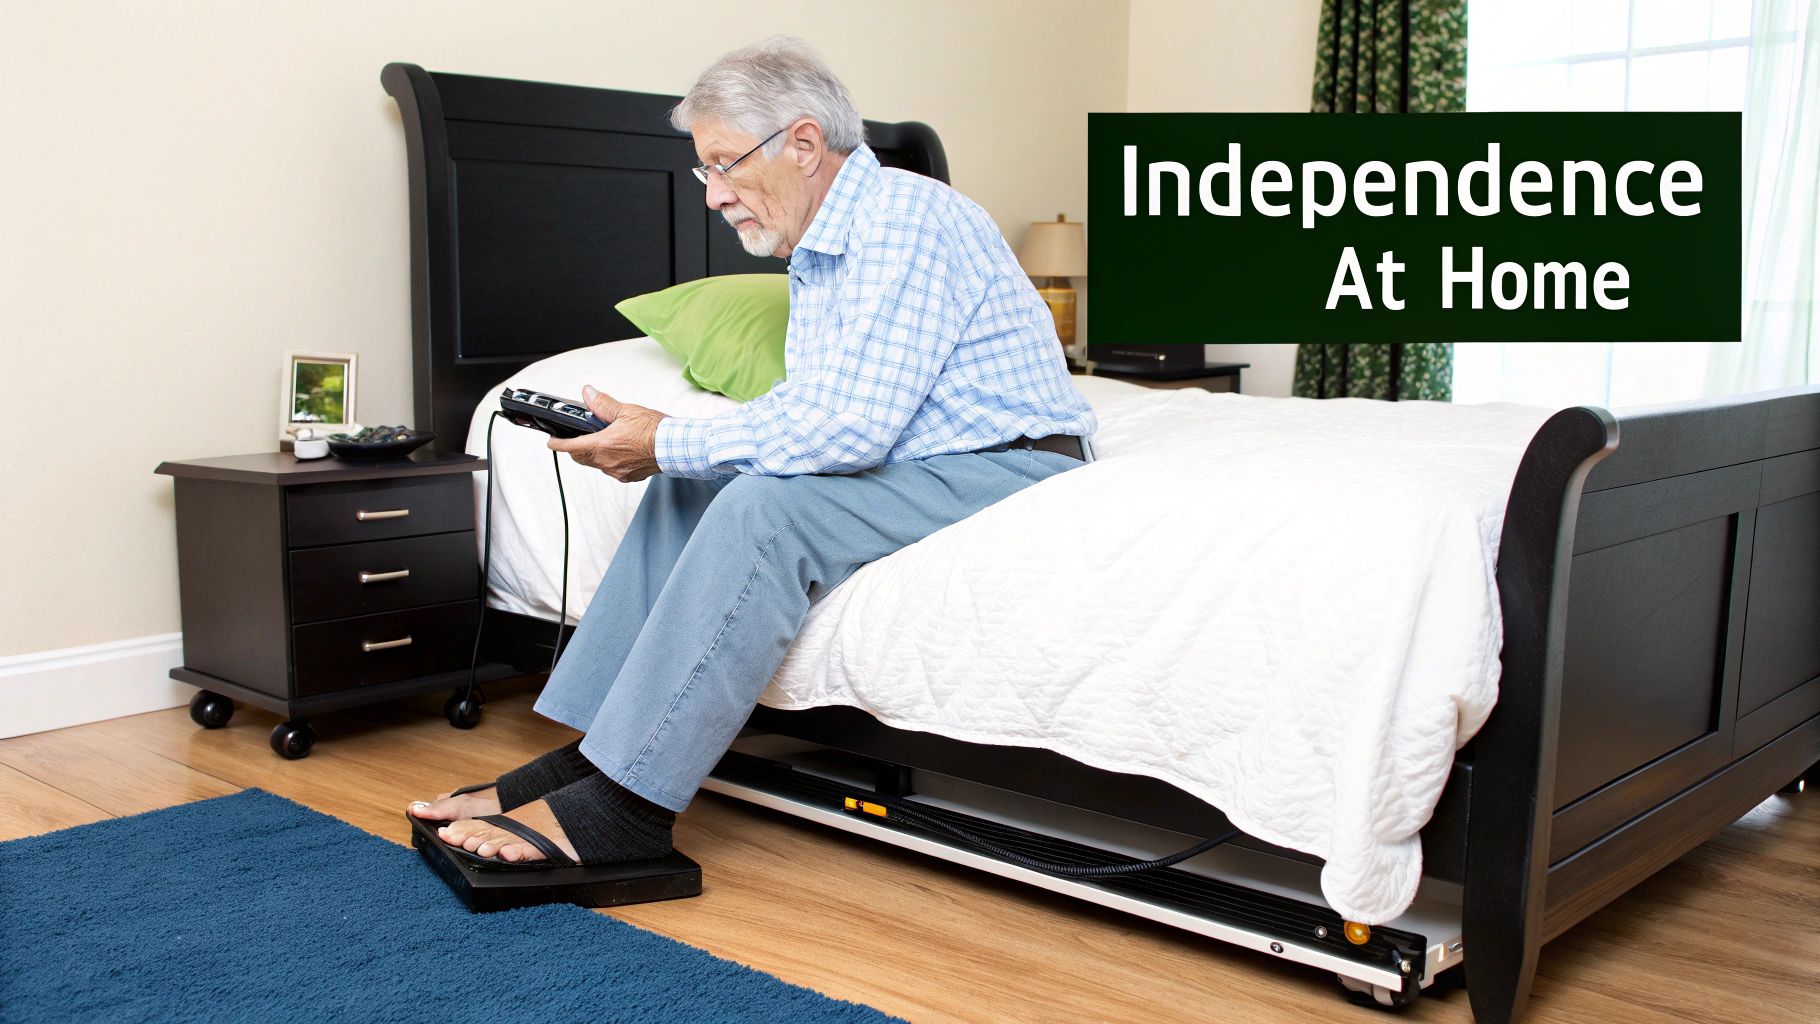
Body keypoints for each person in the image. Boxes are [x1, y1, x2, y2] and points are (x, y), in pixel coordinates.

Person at [408, 35, 1096, 866]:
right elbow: (816, 411)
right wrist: (676, 451)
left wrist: (667, 437)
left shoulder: (908, 220)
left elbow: (848, 430)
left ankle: (623, 809)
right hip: (933, 453)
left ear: (803, 143)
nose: (713, 195)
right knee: (690, 485)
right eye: (706, 172)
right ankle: (592, 756)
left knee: (763, 508)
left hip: (1014, 459)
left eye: (725, 165)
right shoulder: (820, 250)